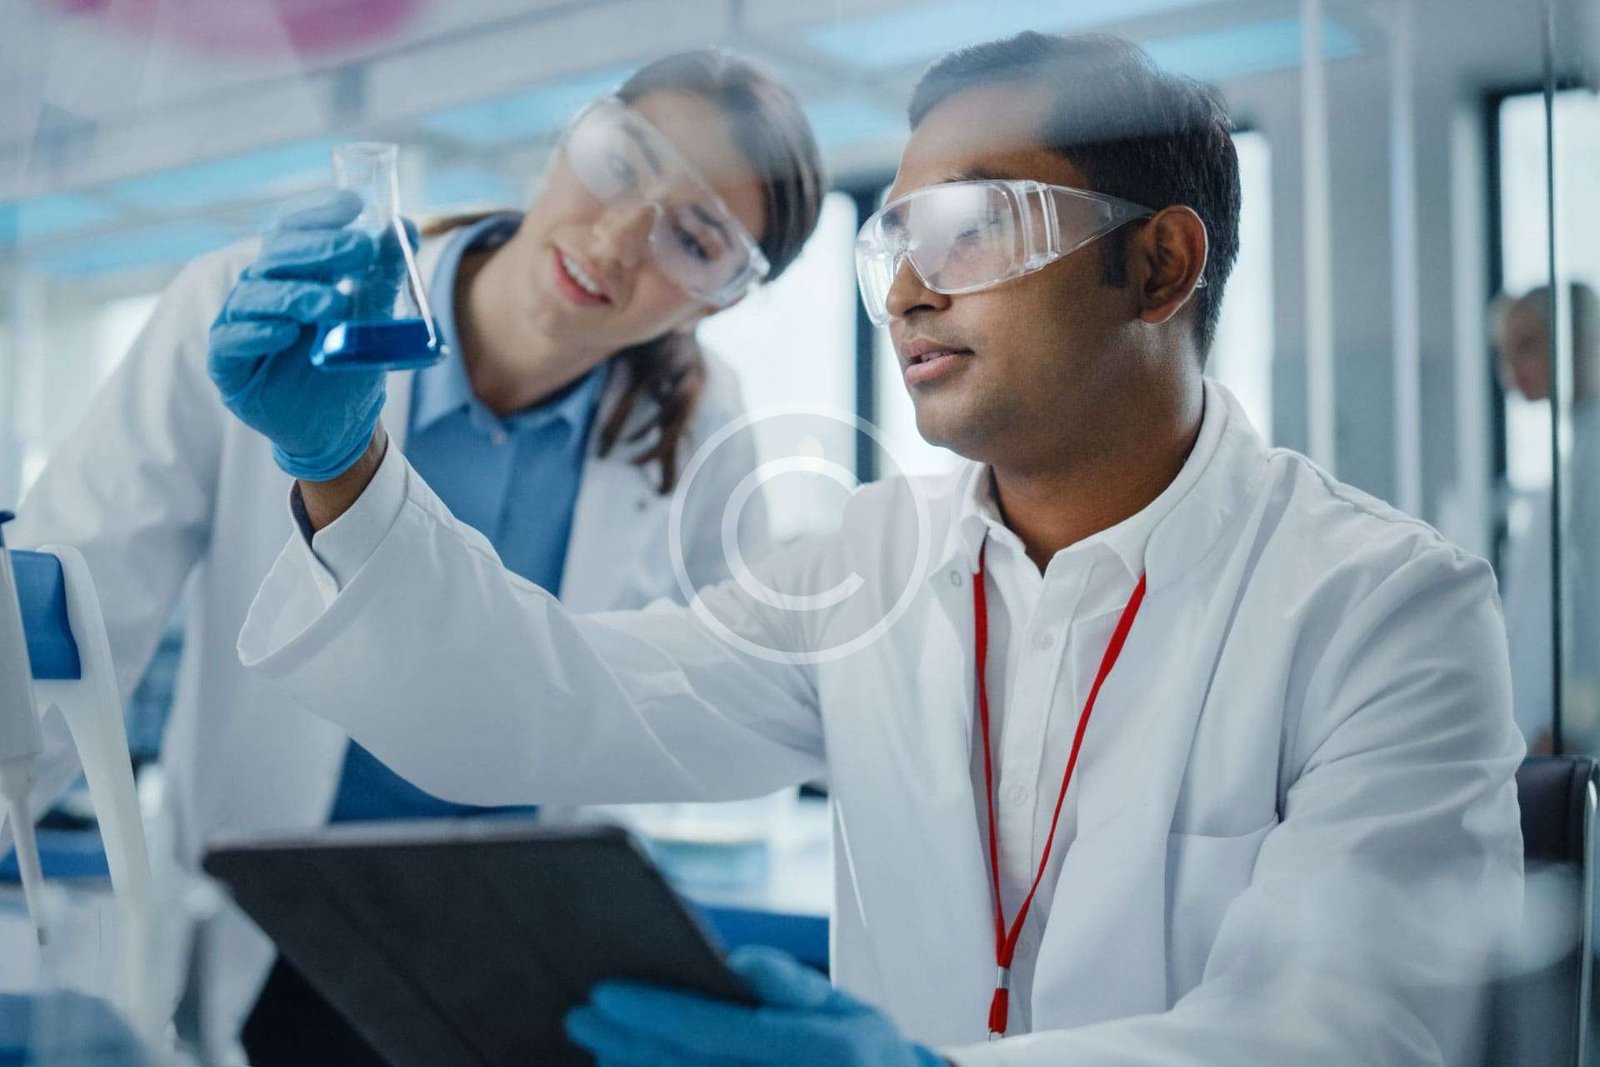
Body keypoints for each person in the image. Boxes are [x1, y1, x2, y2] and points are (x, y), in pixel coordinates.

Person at [222, 32, 1522, 1064]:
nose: (905, 290)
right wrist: (343, 461)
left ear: (1158, 264)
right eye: (893, 241)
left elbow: (1361, 1031)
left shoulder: (1383, 607)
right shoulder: (867, 567)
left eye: (970, 227)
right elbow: (546, 703)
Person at [10, 48, 824, 1061]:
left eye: (694, 239)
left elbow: (740, 699)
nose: (617, 240)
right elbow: (64, 618)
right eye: (621, 165)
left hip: (517, 940)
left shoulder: (701, 433)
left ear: (719, 298)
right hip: (272, 912)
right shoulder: (260, 310)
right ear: (570, 140)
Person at [1493, 282, 1600, 755]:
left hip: (1569, 733)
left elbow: (1588, 601)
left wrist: (1571, 719)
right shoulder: (1575, 454)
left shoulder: (1591, 460)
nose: (1512, 369)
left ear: (1578, 339)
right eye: (1507, 352)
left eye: (1528, 345)